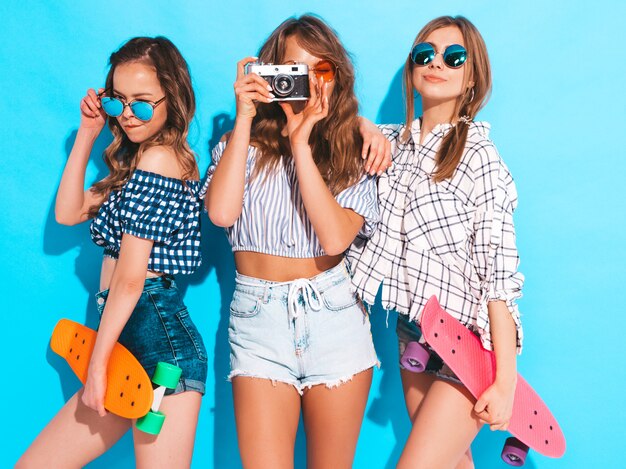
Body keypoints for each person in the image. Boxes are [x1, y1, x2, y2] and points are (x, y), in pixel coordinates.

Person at [203, 15, 387, 469]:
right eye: (291, 69)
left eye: (318, 70)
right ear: (268, 76)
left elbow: (335, 237)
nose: (305, 82)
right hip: (257, 321)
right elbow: (221, 214)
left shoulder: (353, 150)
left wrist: (302, 144)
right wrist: (244, 120)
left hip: (334, 317)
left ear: (335, 78)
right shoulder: (240, 145)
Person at [18, 36, 207, 468]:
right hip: (126, 340)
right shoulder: (135, 164)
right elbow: (68, 214)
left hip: (162, 354)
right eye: (118, 102)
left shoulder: (159, 160)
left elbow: (130, 278)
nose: (128, 115)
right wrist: (87, 133)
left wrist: (97, 366)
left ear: (171, 99)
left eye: (142, 104)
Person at [350, 16, 524, 468]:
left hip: (468, 345)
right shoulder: (388, 146)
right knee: (453, 462)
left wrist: (505, 381)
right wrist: (364, 127)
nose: (436, 64)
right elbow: (332, 121)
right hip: (413, 333)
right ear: (412, 69)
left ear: (472, 78)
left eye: (454, 57)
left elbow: (498, 279)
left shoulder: (481, 159)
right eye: (424, 55)